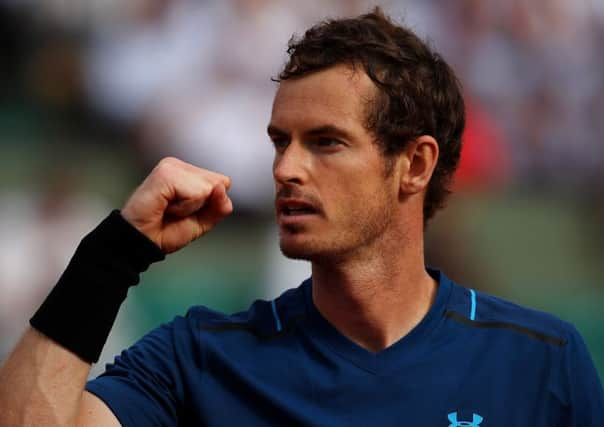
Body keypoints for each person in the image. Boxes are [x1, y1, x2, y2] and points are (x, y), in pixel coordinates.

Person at [1, 8, 603, 426]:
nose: (286, 168)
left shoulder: (542, 359)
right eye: (279, 141)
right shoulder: (199, 358)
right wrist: (113, 254)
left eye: (325, 142)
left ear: (414, 165)